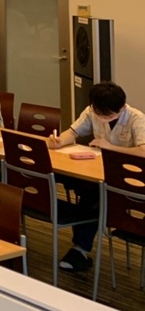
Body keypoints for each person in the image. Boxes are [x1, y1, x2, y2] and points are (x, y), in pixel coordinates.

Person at [48, 81, 145, 272]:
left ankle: (80, 249)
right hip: (97, 171)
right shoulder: (92, 111)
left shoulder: (136, 118)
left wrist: (111, 148)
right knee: (68, 180)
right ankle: (79, 245)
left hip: (127, 178)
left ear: (122, 108)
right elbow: (74, 132)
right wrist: (59, 141)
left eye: (107, 116)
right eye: (99, 114)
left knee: (94, 196)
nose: (102, 119)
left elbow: (143, 151)